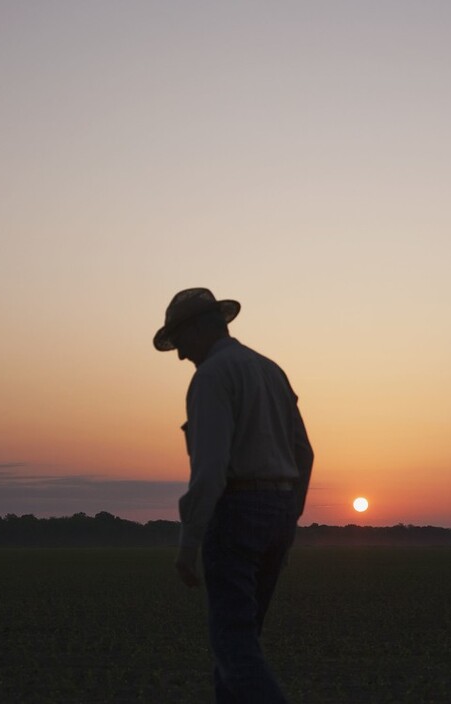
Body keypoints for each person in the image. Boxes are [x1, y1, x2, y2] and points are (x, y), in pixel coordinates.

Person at [154, 287, 314, 703]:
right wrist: (288, 516)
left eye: (181, 340)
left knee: (234, 648)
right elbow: (304, 452)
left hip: (236, 514)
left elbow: (209, 470)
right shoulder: (270, 370)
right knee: (238, 647)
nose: (180, 354)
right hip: (278, 512)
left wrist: (188, 545)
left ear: (201, 329)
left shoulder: (210, 377)